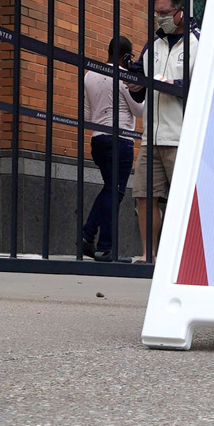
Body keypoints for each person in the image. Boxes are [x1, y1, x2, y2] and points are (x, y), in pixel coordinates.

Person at [134, 0, 194, 263]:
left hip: (182, 136)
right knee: (145, 197)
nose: (161, 19)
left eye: (166, 13)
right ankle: (150, 255)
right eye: (157, 14)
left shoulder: (198, 41)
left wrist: (175, 84)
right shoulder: (153, 44)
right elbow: (138, 76)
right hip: (151, 136)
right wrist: (133, 84)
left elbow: (206, 83)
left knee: (185, 201)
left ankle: (184, 259)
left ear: (181, 11)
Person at [80, 34, 144, 260]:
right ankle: (105, 247)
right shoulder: (124, 76)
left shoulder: (89, 75)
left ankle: (87, 237)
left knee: (109, 188)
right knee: (115, 191)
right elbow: (139, 110)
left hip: (98, 139)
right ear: (126, 57)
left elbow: (87, 115)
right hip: (120, 139)